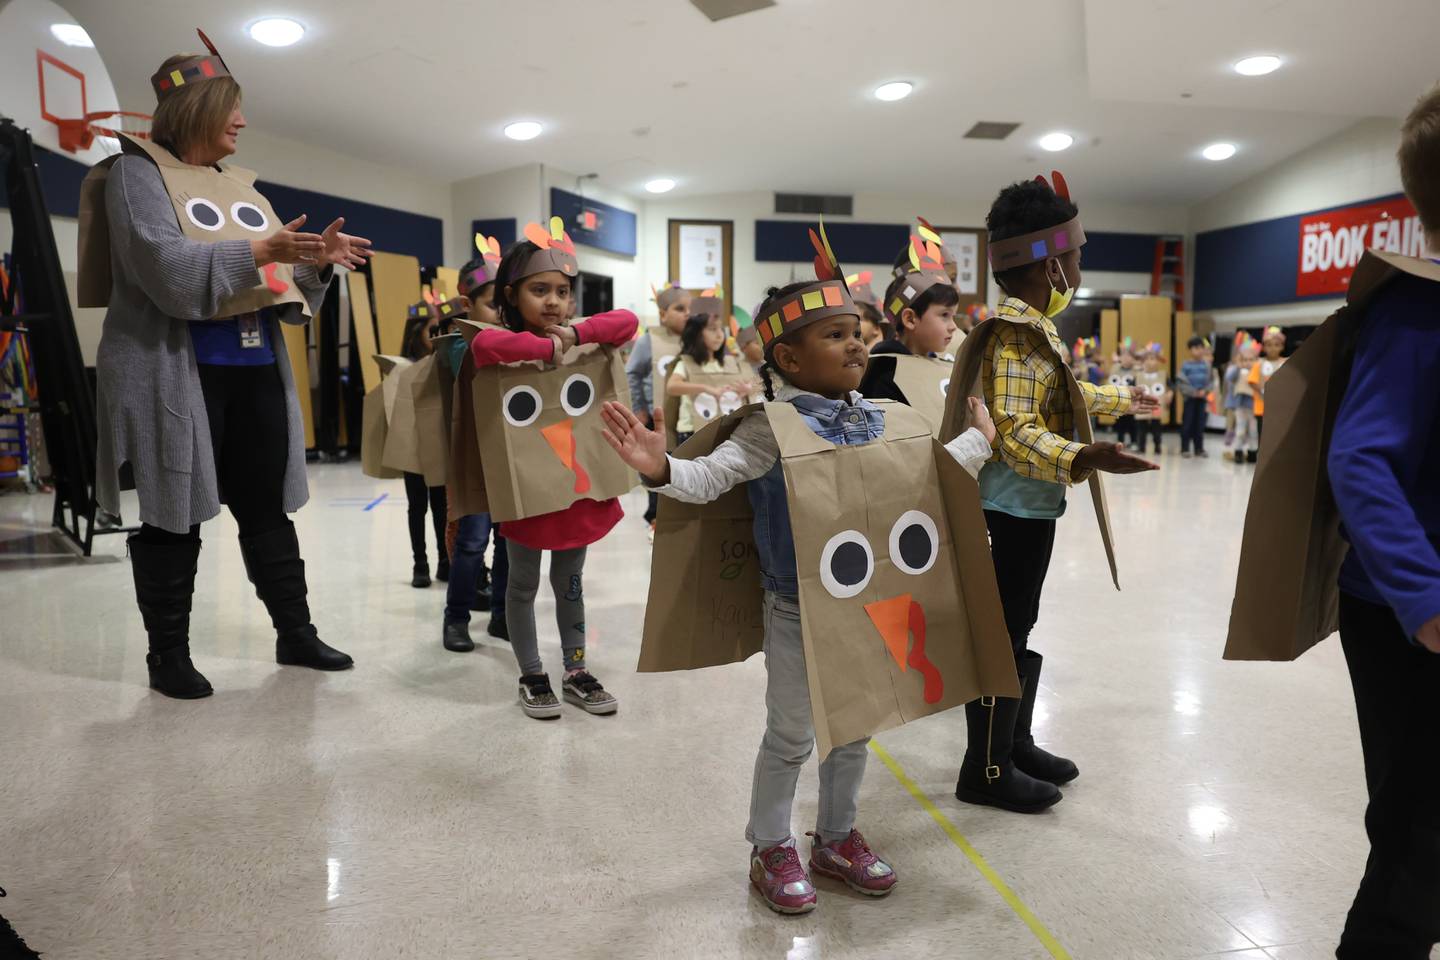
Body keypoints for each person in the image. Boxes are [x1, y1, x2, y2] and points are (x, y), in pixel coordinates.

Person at [599, 267, 997, 915]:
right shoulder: (769, 429)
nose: (855, 345)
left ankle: (835, 837)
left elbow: (933, 478)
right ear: (787, 358)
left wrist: (980, 441)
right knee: (791, 734)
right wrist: (659, 466)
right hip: (797, 609)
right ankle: (768, 845)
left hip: (875, 602)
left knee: (855, 728)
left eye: (857, 333)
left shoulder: (886, 418)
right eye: (834, 335)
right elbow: (708, 478)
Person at [84, 32, 366, 698]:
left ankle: (295, 636)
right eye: (231, 108)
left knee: (267, 507)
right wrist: (262, 249)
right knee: (171, 515)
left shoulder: (235, 186)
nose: (242, 121)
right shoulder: (136, 175)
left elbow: (286, 294)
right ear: (196, 111)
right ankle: (167, 656)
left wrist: (312, 263)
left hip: (254, 368)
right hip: (178, 374)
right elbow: (166, 273)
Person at [955, 172, 1160, 813]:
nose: (1078, 267)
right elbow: (1014, 433)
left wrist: (1124, 399)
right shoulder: (1014, 338)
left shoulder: (1035, 333)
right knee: (1001, 633)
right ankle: (984, 769)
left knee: (1018, 625)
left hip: (1027, 508)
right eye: (1074, 257)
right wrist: (1082, 455)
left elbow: (1061, 398)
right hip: (1006, 510)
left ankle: (1013, 743)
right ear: (1047, 263)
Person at [1325, 84, 1440, 959]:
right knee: (1414, 852)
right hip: (1411, 622)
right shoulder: (1417, 309)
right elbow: (1360, 458)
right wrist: (1426, 600)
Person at [469, 231, 638, 718]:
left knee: (571, 582)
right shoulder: (496, 340)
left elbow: (626, 321)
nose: (554, 302)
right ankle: (531, 672)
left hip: (576, 488)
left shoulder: (581, 332)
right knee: (521, 585)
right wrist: (544, 351)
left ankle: (576, 669)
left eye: (563, 292)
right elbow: (486, 345)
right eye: (539, 290)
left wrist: (574, 335)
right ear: (510, 295)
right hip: (529, 488)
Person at [440, 248, 510, 650]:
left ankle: (501, 615)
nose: (500, 312)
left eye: (505, 303)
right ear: (467, 306)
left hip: (509, 460)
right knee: (471, 541)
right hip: (475, 462)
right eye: (491, 304)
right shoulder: (459, 344)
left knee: (508, 541)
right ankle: (456, 619)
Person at [627, 283, 692, 537]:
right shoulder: (648, 341)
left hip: (682, 417)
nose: (687, 314)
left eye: (690, 309)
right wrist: (639, 407)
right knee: (657, 465)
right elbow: (632, 372)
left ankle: (680, 511)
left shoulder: (692, 340)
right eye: (680, 308)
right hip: (656, 416)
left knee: (680, 463)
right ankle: (655, 514)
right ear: (663, 314)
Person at [399, 300, 450, 587]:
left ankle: (445, 561)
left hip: (440, 446)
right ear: (416, 333)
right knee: (417, 506)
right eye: (432, 331)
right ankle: (420, 563)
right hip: (411, 448)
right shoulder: (402, 368)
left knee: (442, 505)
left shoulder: (445, 364)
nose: (436, 337)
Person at [665, 311, 753, 446]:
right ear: (697, 334)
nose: (719, 335)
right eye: (712, 329)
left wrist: (747, 390)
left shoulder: (727, 364)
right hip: (691, 430)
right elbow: (672, 387)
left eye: (721, 329)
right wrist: (707, 388)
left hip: (724, 429)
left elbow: (753, 385)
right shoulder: (686, 364)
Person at [1249, 326, 1288, 450]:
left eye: (1277, 345)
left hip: (1280, 408)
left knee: (1278, 435)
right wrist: (1263, 392)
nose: (1273, 348)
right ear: (1264, 347)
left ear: (1282, 347)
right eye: (1269, 345)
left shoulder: (1285, 363)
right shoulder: (1258, 364)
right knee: (1263, 435)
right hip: (1262, 408)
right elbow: (1252, 381)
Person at [1224, 339, 1260, 465]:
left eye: (1251, 360)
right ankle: (1238, 452)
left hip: (1254, 407)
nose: (1248, 362)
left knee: (1253, 431)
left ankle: (1252, 453)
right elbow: (1229, 378)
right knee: (1240, 431)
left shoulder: (1258, 371)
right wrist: (1238, 366)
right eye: (1245, 360)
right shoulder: (1238, 371)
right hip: (1240, 407)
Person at [1176, 336, 1212, 458]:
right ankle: (1185, 448)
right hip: (1190, 399)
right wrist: (1193, 392)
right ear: (1190, 350)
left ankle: (1199, 448)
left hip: (1202, 399)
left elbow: (1211, 381)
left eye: (1201, 348)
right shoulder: (1186, 365)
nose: (1199, 350)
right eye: (1196, 348)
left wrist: (1205, 391)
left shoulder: (1206, 365)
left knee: (1200, 424)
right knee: (1187, 423)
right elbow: (1181, 382)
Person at [1133, 345, 1171, 455]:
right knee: (1141, 427)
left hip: (1156, 406)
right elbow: (1131, 387)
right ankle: (1141, 446)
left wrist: (1170, 393)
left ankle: (1157, 446)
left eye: (1153, 359)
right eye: (1147, 359)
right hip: (1142, 405)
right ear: (1143, 362)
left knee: (1156, 427)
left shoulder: (1162, 375)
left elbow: (1170, 387)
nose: (1150, 362)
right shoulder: (1138, 375)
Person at [1109, 348, 1140, 448]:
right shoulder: (1115, 368)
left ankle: (1134, 441)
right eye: (1124, 356)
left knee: (1132, 423)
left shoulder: (1136, 370)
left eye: (1129, 356)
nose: (1126, 358)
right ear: (1120, 357)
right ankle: (1120, 441)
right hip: (1119, 401)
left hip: (1132, 401)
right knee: (1120, 422)